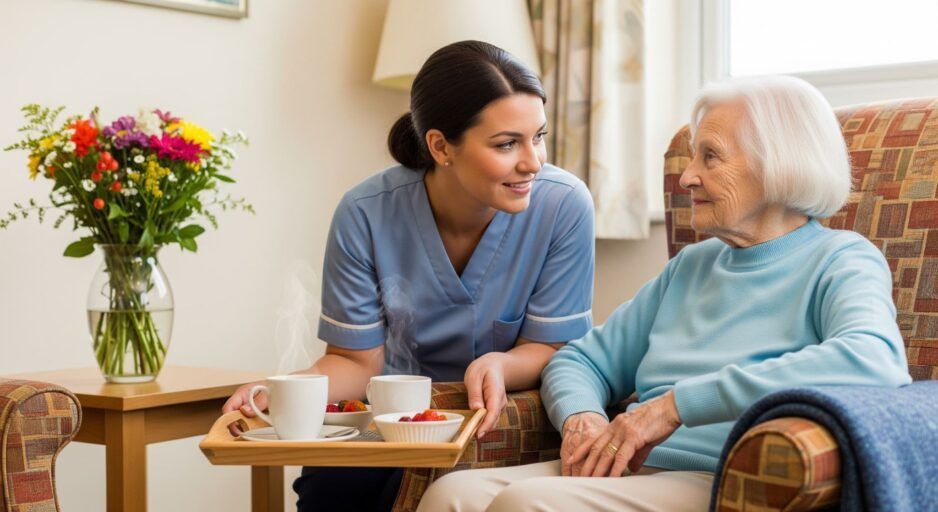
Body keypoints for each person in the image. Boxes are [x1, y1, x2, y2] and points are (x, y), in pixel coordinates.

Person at [416, 75, 913, 512]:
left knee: (526, 504)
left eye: (710, 156)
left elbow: (874, 359)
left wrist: (674, 406)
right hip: (632, 470)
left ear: (778, 163)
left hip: (724, 479)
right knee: (451, 496)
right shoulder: (691, 266)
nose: (688, 175)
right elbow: (579, 362)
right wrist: (582, 418)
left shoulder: (840, 259)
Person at [222, 40, 595, 511]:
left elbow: (554, 347)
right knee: (330, 487)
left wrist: (502, 364)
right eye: (507, 144)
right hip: (389, 425)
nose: (533, 162)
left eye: (538, 136)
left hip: (496, 421)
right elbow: (356, 363)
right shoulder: (365, 213)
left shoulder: (563, 206)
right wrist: (276, 391)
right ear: (441, 146)